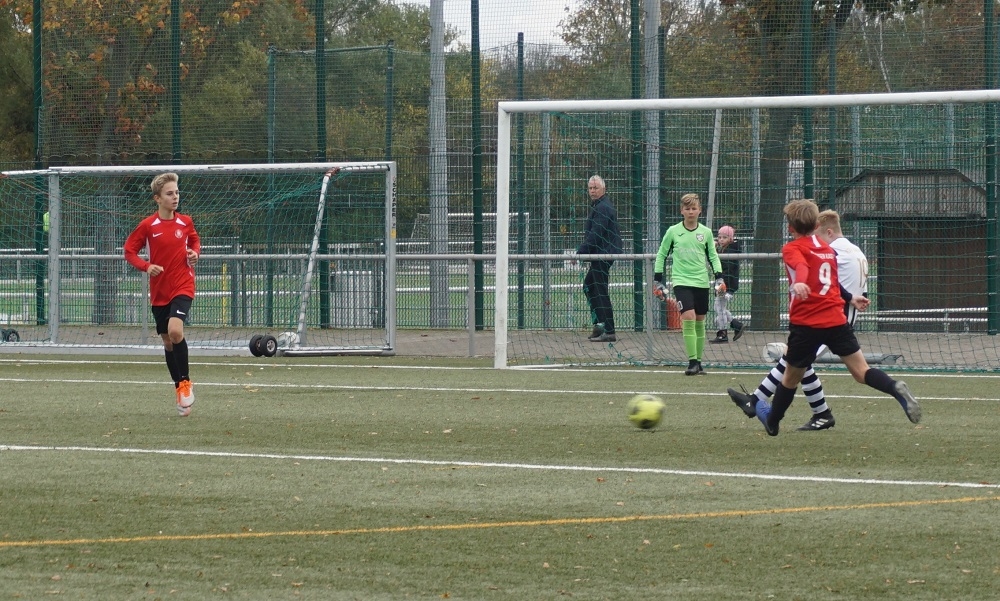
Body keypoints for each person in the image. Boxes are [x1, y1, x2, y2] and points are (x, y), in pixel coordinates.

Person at [741, 199, 920, 437]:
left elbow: (801, 266)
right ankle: (894, 388)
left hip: (807, 324)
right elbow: (833, 282)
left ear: (790, 228)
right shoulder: (828, 249)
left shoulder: (792, 248)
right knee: (861, 371)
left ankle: (772, 422)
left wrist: (801, 282)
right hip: (836, 320)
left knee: (791, 377)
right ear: (817, 225)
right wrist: (851, 297)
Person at [728, 209, 868, 431]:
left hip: (830, 318)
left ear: (828, 232)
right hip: (838, 314)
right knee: (799, 361)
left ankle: (755, 401)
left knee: (793, 360)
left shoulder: (832, 250)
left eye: (818, 236)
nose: (815, 241)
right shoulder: (855, 249)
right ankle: (821, 413)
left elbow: (824, 280)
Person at [124, 172, 201, 417]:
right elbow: (129, 251)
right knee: (168, 341)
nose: (175, 197)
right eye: (169, 193)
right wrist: (147, 266)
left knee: (176, 331)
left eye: (177, 192)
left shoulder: (185, 222)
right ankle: (179, 388)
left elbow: (194, 241)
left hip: (183, 285)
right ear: (157, 198)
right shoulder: (148, 226)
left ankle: (186, 382)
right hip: (160, 292)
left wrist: (195, 253)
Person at [653, 193, 725, 375]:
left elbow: (713, 256)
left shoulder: (706, 233)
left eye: (694, 208)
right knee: (689, 317)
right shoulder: (673, 232)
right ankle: (692, 362)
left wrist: (719, 277)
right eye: (687, 208)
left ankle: (699, 363)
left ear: (700, 211)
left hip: (701, 282)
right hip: (681, 282)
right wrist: (658, 280)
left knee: (700, 321)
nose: (691, 211)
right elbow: (661, 254)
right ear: (681, 211)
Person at [578, 174, 623, 343]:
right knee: (589, 286)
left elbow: (596, 234)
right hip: (599, 254)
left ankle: (609, 330)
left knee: (600, 290)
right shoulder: (599, 206)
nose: (592, 191)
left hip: (603, 254)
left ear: (603, 189)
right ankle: (599, 324)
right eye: (590, 188)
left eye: (595, 188)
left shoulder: (603, 208)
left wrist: (580, 253)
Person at [710, 225, 745, 344]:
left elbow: (724, 266)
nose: (721, 240)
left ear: (730, 238)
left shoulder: (730, 250)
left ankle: (723, 333)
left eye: (724, 237)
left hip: (726, 284)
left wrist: (714, 250)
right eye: (719, 237)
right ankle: (736, 324)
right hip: (723, 283)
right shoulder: (725, 249)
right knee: (719, 307)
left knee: (719, 307)